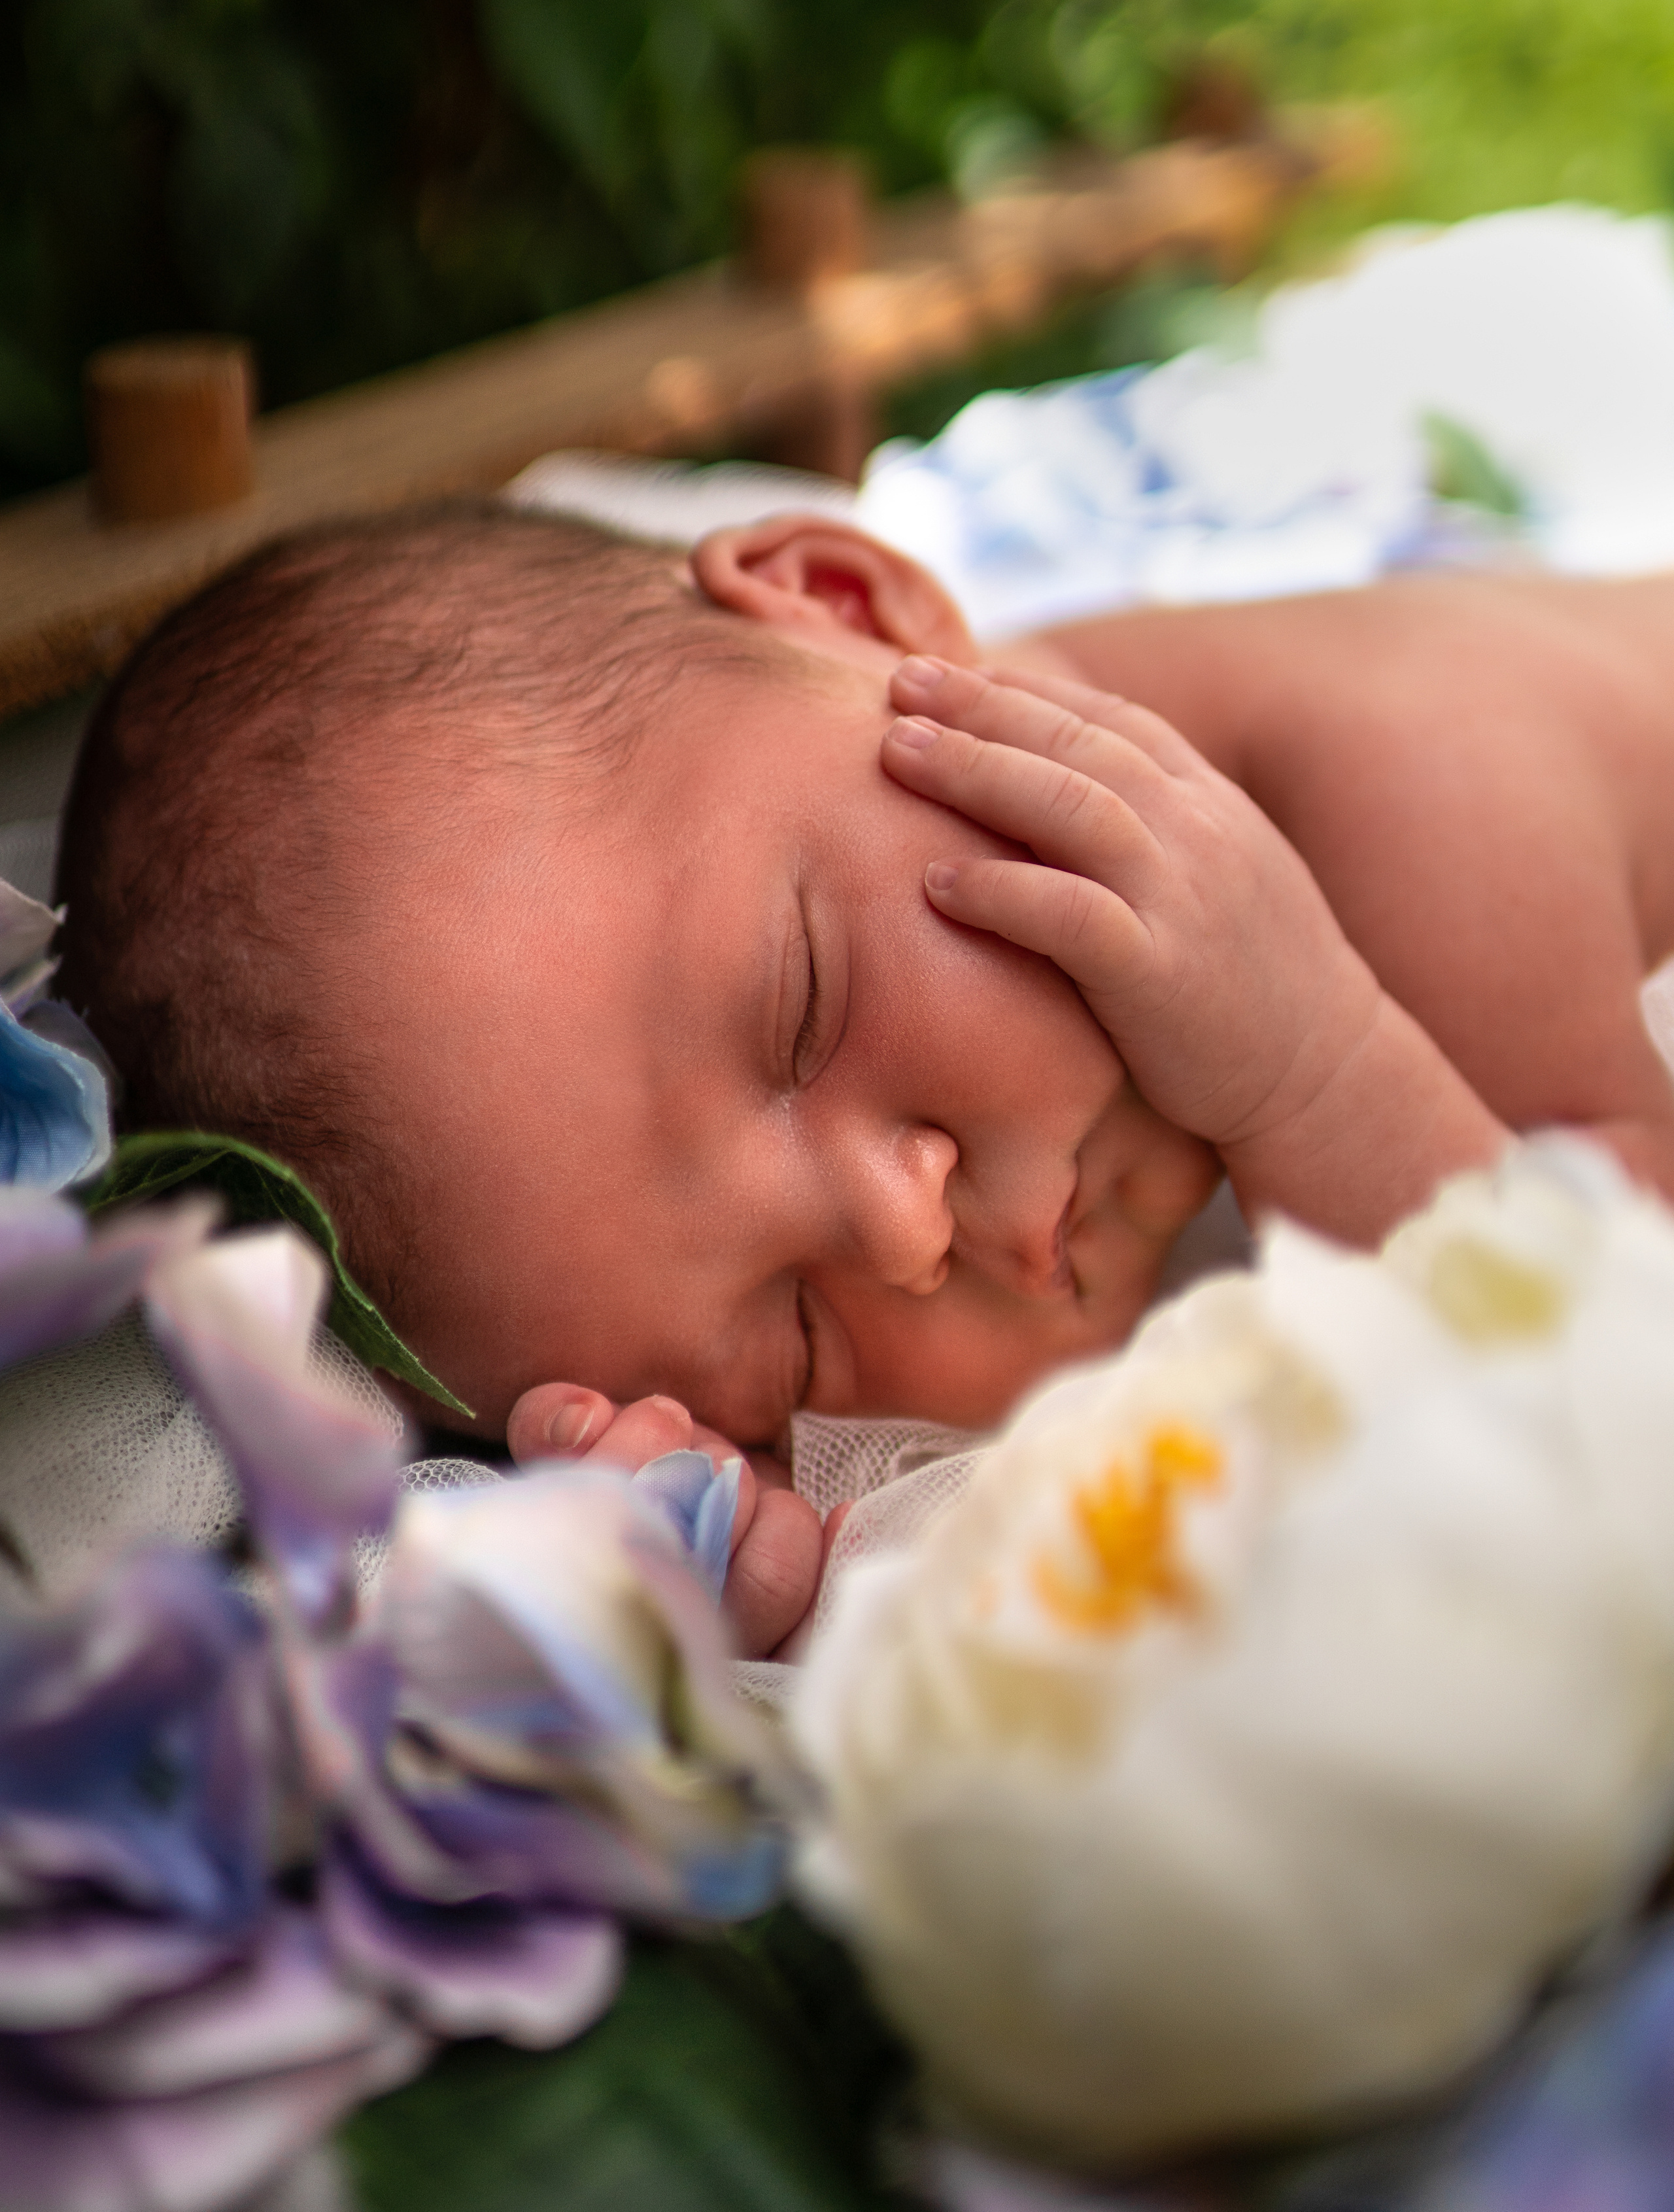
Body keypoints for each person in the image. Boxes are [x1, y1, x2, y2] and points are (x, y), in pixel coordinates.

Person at [54, 501, 1674, 1654]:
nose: (906, 1232)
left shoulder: (1408, 788)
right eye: (794, 1340)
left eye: (805, 1006)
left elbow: (1610, 1361)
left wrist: (1316, 1069)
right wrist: (753, 1525)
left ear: (846, 604)